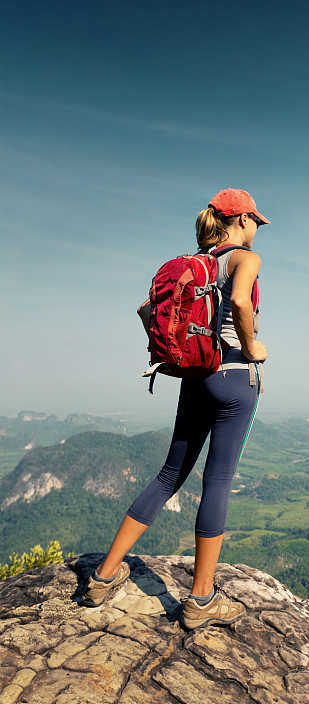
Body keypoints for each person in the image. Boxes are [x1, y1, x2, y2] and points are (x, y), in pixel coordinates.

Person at [81, 188, 269, 629]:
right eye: (255, 221)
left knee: (169, 474)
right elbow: (241, 301)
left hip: (195, 377)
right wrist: (250, 347)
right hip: (234, 377)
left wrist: (181, 354)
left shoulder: (192, 263)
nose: (258, 229)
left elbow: (147, 310)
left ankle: (102, 577)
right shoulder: (243, 259)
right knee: (218, 480)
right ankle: (200, 601)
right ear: (240, 220)